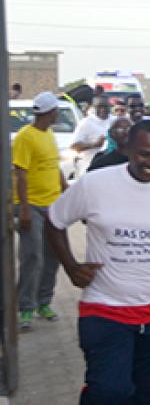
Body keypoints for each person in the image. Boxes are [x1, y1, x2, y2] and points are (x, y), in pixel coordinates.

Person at [46, 120, 150, 404]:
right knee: (109, 392)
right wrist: (71, 267)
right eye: (144, 154)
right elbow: (54, 221)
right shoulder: (95, 184)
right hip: (106, 310)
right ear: (127, 149)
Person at [13, 92, 69, 330]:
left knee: (53, 255)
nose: (57, 114)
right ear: (50, 112)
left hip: (53, 205)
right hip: (32, 206)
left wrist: (67, 190)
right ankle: (25, 307)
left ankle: (43, 302)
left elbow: (53, 167)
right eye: (56, 110)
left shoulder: (49, 135)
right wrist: (24, 209)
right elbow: (21, 173)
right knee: (32, 255)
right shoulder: (26, 137)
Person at [71, 96, 112, 176]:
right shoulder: (86, 123)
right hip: (90, 169)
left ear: (109, 106)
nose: (102, 109)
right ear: (93, 108)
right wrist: (94, 144)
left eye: (105, 106)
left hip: (109, 169)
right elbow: (74, 146)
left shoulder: (115, 120)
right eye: (99, 107)